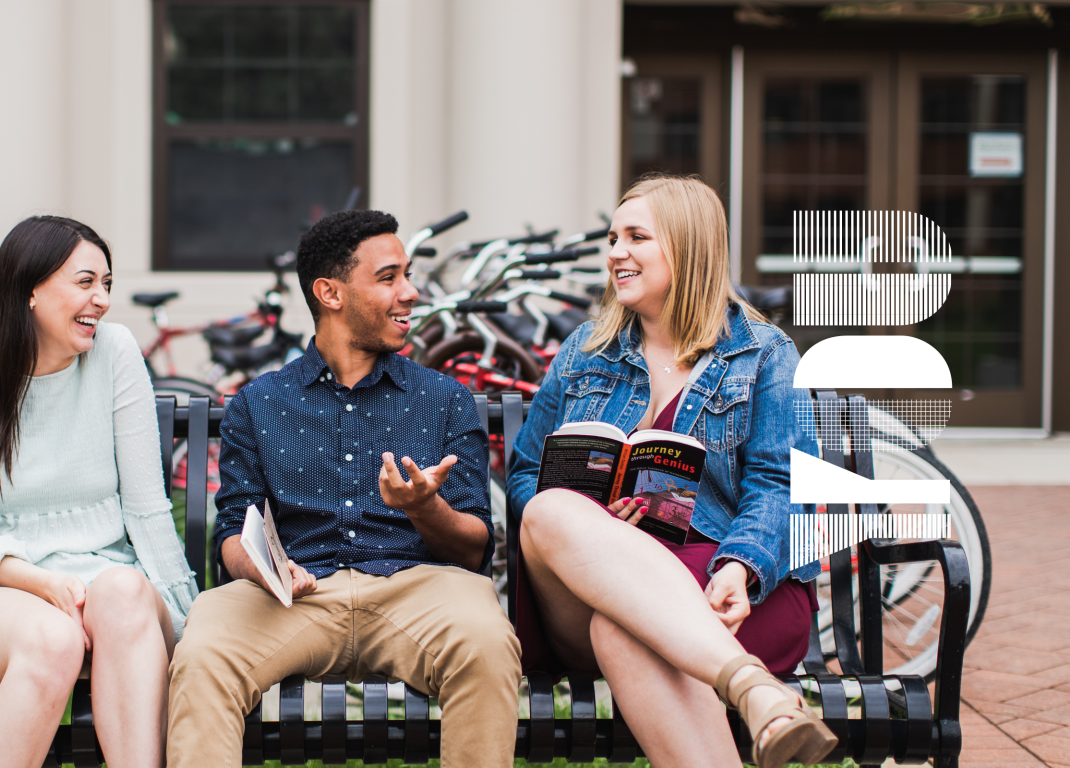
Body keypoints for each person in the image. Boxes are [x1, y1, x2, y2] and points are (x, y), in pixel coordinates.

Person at [167, 210, 521, 768]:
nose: (411, 293)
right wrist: (262, 567)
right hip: (295, 597)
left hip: (416, 589)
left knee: (485, 640)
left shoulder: (445, 399)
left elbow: (473, 548)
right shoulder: (259, 404)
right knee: (205, 651)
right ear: (330, 293)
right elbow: (234, 530)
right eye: (389, 278)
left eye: (408, 275)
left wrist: (426, 509)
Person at [506, 175, 837, 768]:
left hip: (727, 589)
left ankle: (751, 688)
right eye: (612, 237)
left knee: (625, 629)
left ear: (687, 248)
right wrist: (594, 520)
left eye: (636, 237)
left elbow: (782, 484)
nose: (615, 253)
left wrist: (741, 566)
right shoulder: (585, 350)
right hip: (585, 588)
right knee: (551, 508)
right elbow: (526, 472)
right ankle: (756, 691)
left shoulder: (763, 353)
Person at [0, 216, 197, 768]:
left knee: (125, 592)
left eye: (106, 284)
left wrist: (185, 614)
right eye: (85, 282)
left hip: (106, 591)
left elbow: (147, 509)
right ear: (31, 289)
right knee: (53, 637)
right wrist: (42, 583)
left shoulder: (114, 352)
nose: (102, 299)